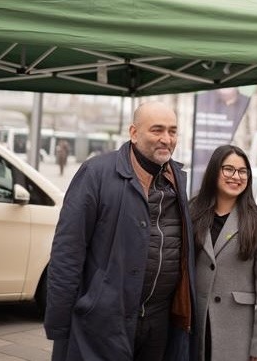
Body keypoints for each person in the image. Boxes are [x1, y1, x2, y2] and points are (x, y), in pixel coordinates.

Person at [44, 101, 197, 361]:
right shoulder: (96, 173)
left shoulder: (175, 179)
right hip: (104, 322)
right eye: (157, 130)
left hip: (158, 322)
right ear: (134, 133)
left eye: (172, 131)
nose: (166, 139)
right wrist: (60, 326)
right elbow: (67, 252)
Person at [189, 145, 257, 361]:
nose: (236, 176)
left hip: (237, 333)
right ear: (214, 172)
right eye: (228, 169)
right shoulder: (192, 212)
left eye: (242, 171)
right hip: (195, 327)